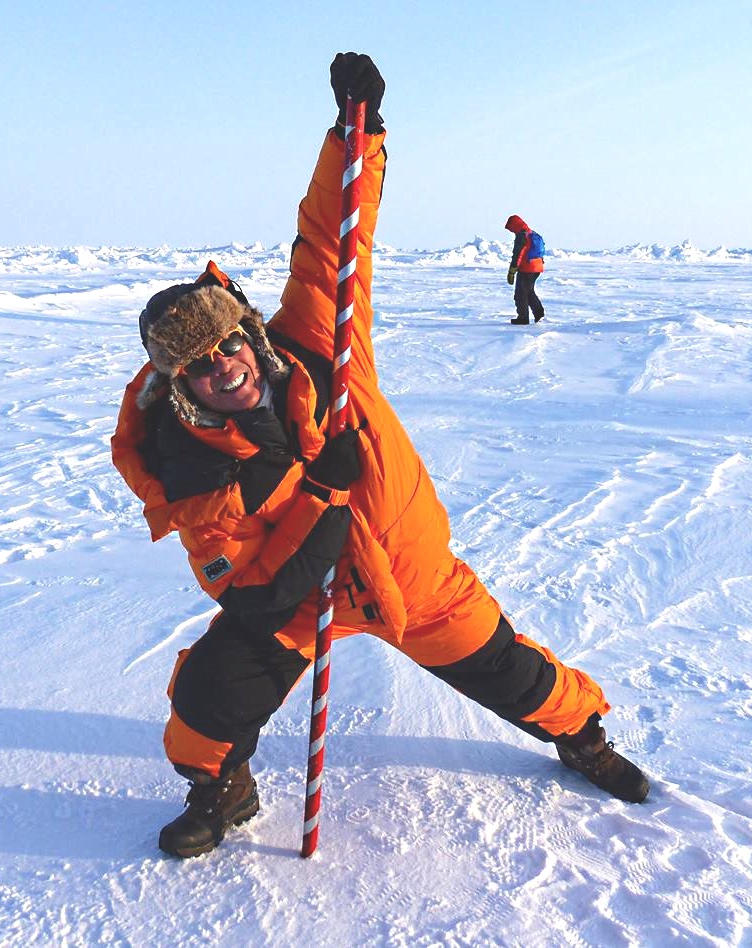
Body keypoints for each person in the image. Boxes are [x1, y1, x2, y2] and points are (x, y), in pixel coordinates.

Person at [112, 52, 649, 859]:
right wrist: (322, 502)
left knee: (520, 677)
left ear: (247, 333)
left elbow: (332, 234)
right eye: (196, 364)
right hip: (297, 605)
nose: (223, 365)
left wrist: (351, 132)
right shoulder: (186, 470)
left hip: (412, 577)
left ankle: (585, 739)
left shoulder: (321, 351)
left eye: (227, 342)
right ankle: (222, 787)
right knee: (204, 697)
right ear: (178, 384)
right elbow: (254, 595)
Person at [505, 214, 545, 325]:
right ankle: (539, 314)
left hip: (527, 268)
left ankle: (523, 318)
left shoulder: (522, 236)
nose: (512, 231)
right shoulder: (532, 233)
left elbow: (518, 254)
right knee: (529, 291)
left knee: (520, 293)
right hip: (537, 266)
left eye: (511, 228)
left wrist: (512, 271)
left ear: (514, 225)